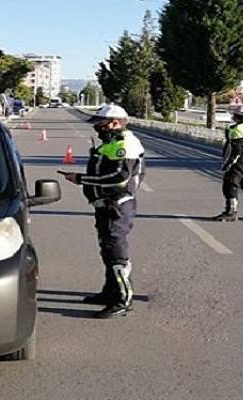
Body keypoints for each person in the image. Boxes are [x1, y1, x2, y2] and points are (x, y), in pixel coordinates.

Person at [59, 104, 145, 319]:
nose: (98, 128)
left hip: (117, 205)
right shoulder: (112, 143)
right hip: (105, 204)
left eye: (101, 124)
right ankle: (110, 291)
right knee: (107, 249)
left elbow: (119, 178)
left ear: (114, 123)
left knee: (117, 252)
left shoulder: (125, 145)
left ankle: (123, 299)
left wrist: (81, 179)